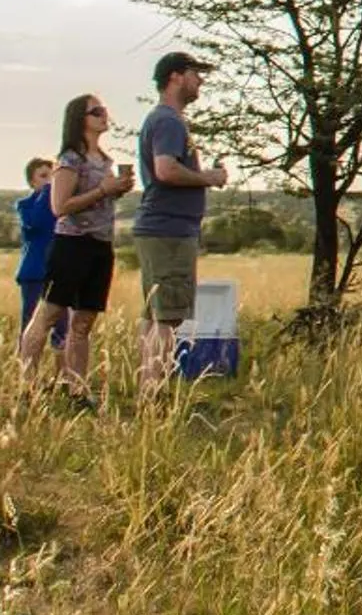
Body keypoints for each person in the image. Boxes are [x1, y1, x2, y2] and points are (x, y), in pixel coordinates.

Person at [23, 93, 137, 401]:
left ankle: (77, 388)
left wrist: (116, 190)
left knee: (84, 320)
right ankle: (26, 385)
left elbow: (98, 198)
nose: (104, 115)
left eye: (104, 109)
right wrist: (103, 189)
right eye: (96, 111)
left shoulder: (104, 159)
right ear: (80, 120)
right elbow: (59, 206)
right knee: (48, 314)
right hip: (72, 244)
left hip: (100, 243)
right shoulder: (71, 159)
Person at [130, 52, 226, 396]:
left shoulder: (165, 120)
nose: (200, 81)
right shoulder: (168, 121)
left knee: (156, 316)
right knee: (169, 317)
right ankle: (153, 393)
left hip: (161, 229)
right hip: (169, 230)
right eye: (194, 73)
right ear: (175, 77)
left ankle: (147, 389)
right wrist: (207, 177)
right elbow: (166, 169)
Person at [13, 158, 65, 355]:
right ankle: (27, 375)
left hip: (59, 270)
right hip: (34, 272)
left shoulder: (61, 205)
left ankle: (61, 377)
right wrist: (46, 192)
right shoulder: (25, 205)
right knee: (31, 323)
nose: (49, 181)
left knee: (62, 326)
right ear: (32, 182)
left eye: (52, 176)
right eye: (43, 177)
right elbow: (35, 222)